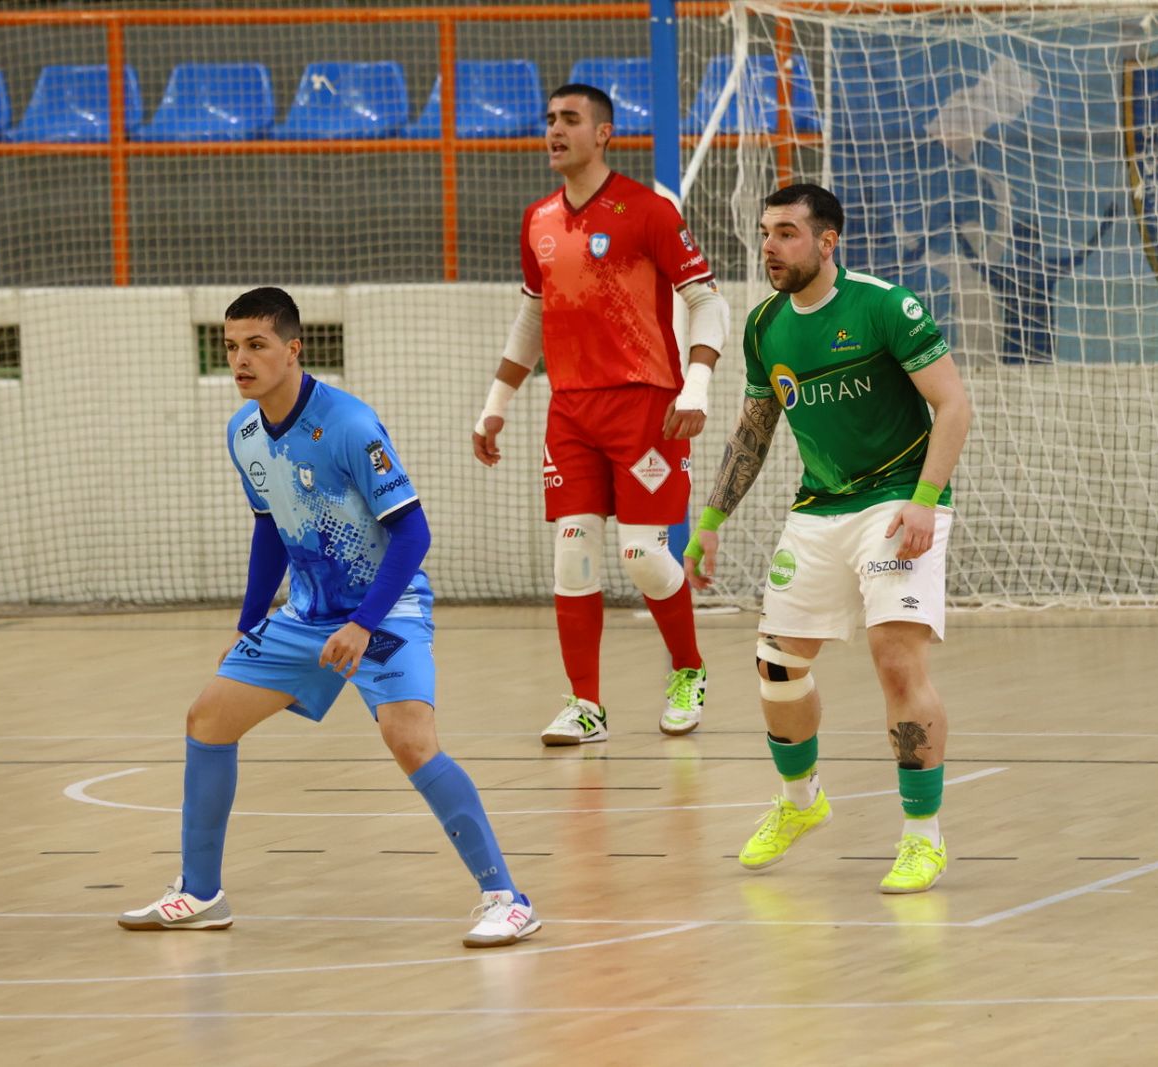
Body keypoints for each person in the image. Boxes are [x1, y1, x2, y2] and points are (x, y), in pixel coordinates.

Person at [120, 287, 539, 947]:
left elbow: (412, 534)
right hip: (307, 613)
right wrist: (252, 617)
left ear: (294, 348)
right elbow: (270, 529)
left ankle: (506, 897)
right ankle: (200, 893)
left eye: (256, 345)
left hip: (386, 608)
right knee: (207, 717)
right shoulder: (244, 433)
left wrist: (364, 622)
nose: (241, 360)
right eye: (230, 347)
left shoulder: (349, 424)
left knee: (410, 740)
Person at [685, 184, 972, 894]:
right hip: (819, 508)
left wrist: (925, 503)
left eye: (786, 232)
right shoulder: (764, 327)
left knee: (895, 661)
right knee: (777, 666)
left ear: (826, 241)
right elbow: (754, 430)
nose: (771, 246)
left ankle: (922, 838)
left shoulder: (883, 306)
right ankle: (800, 800)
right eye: (765, 233)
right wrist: (710, 521)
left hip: (898, 499)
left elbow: (954, 404)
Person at [471, 82, 731, 747]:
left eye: (570, 119)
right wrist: (496, 404)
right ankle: (586, 705)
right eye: (549, 120)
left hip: (647, 408)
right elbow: (535, 314)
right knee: (573, 558)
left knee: (643, 554)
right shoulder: (538, 221)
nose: (554, 130)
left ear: (604, 133)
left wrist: (695, 385)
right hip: (572, 414)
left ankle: (689, 669)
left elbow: (709, 303)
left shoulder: (647, 211)